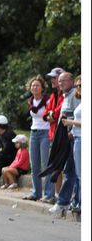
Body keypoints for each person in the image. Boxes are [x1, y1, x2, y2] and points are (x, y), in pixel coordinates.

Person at [49, 72, 80, 215]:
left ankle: (63, 202)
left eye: (63, 81)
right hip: (66, 138)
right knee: (68, 169)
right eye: (59, 81)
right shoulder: (65, 96)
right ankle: (69, 201)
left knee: (71, 171)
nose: (60, 83)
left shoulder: (75, 95)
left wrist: (70, 130)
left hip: (74, 138)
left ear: (71, 81)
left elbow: (77, 116)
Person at [22, 75, 53, 201]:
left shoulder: (48, 100)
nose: (35, 87)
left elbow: (51, 115)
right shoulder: (30, 101)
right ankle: (36, 193)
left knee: (45, 164)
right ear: (30, 88)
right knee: (34, 165)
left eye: (37, 85)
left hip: (45, 132)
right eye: (33, 85)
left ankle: (49, 194)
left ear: (42, 88)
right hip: (33, 133)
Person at [42, 67, 65, 202]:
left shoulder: (65, 95)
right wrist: (50, 115)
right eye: (51, 78)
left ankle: (62, 196)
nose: (52, 80)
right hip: (53, 134)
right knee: (55, 167)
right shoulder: (52, 95)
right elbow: (46, 114)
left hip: (62, 135)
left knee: (63, 167)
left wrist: (51, 115)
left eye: (54, 78)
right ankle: (57, 196)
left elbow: (56, 113)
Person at [61, 75, 81, 214]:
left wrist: (70, 123)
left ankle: (77, 202)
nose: (78, 88)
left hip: (80, 139)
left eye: (81, 86)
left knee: (79, 174)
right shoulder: (80, 101)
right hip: (76, 137)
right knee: (78, 174)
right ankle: (77, 202)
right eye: (78, 85)